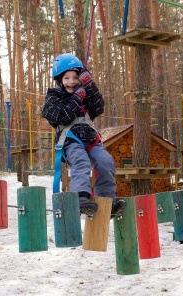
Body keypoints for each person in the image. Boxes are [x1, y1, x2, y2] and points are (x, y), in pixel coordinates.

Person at [41, 53, 126, 217]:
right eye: (67, 78)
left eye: (75, 77)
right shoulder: (54, 97)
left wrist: (89, 85)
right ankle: (80, 196)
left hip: (90, 139)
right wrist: (76, 98)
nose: (71, 81)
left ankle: (106, 201)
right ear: (60, 80)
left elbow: (98, 108)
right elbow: (63, 117)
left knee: (106, 162)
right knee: (81, 161)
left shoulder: (84, 92)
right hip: (69, 139)